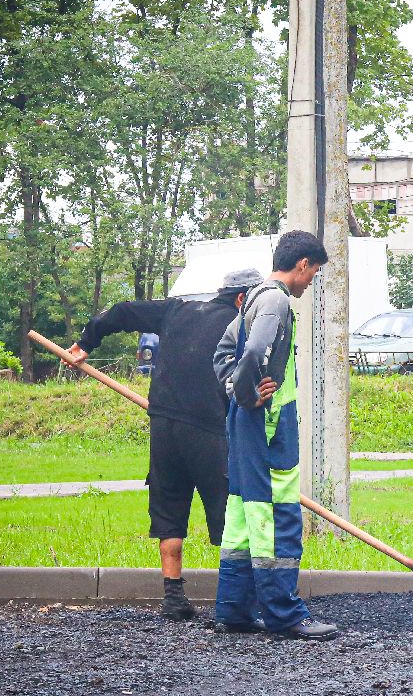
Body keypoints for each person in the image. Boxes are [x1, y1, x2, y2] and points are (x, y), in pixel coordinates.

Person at [66, 267, 264, 621]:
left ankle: (173, 597)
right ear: (240, 298)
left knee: (170, 508)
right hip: (209, 432)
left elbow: (122, 311)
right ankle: (235, 601)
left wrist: (84, 344)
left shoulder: (177, 309)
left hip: (164, 426)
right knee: (229, 512)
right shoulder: (240, 326)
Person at [211, 230, 340, 641]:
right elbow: (250, 355)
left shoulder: (254, 297)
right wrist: (248, 394)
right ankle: (285, 614)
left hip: (249, 423)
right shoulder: (276, 300)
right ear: (301, 264)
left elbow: (223, 354)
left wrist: (236, 390)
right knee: (277, 514)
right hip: (268, 425)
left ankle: (234, 609)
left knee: (244, 515)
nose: (311, 282)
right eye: (314, 273)